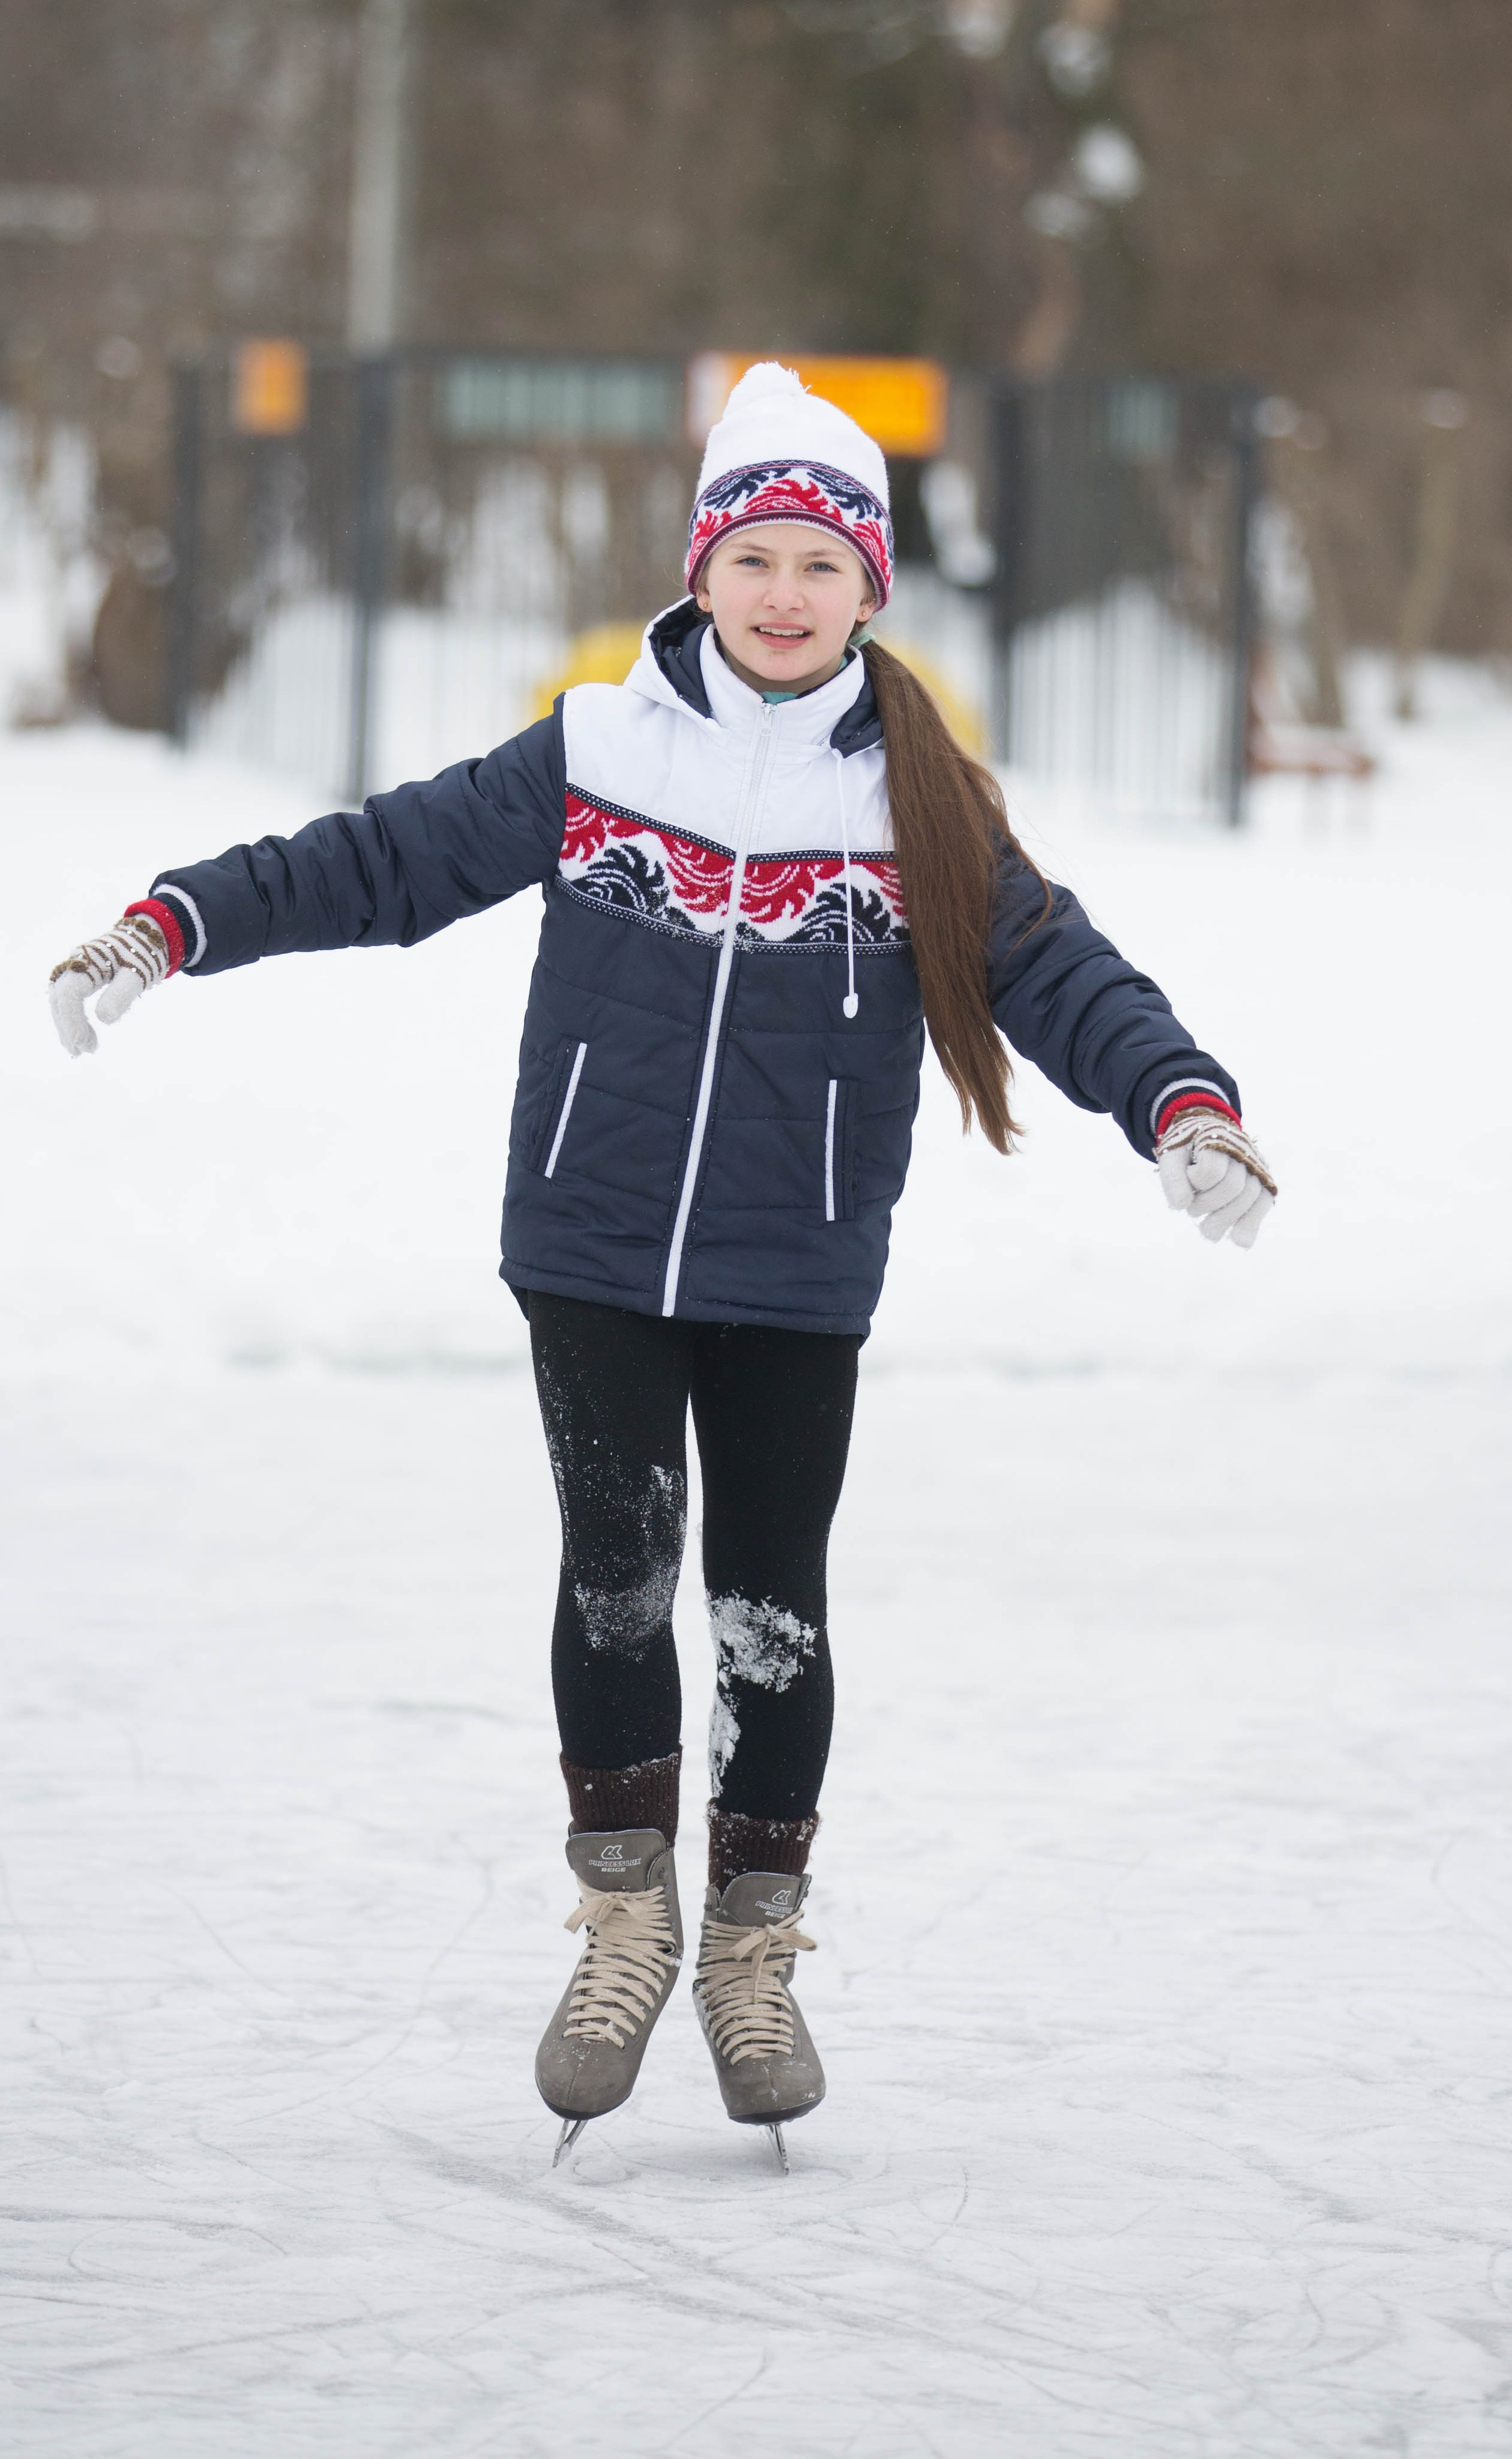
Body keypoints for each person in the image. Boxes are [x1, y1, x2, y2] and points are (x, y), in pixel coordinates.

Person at [47, 363, 1276, 2172]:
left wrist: (1181, 1103)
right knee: (618, 1579)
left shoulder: (919, 804)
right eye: (755, 554)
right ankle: (628, 1928)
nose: (786, 594)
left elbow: (1067, 978)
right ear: (702, 569)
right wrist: (178, 919)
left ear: (873, 590)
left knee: (772, 1608)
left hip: (797, 1270)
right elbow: (381, 862)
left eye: (823, 565)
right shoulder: (599, 752)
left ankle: (754, 1955)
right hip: (596, 1247)